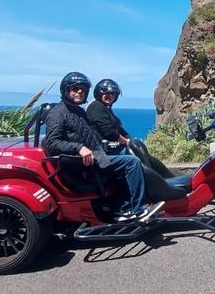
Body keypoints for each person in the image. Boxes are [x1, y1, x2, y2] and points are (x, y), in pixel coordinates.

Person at [43, 72, 164, 222]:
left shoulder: (78, 111)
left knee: (125, 159)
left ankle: (123, 208)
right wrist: (79, 148)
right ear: (66, 90)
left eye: (83, 89)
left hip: (93, 157)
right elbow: (53, 142)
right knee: (132, 163)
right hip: (79, 163)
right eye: (75, 88)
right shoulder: (58, 113)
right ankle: (138, 210)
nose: (80, 91)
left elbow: (94, 133)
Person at [86, 79, 130, 155]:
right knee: (134, 160)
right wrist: (126, 142)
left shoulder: (106, 108)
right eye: (107, 93)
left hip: (111, 148)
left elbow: (118, 128)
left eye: (113, 94)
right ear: (100, 94)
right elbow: (108, 131)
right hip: (103, 151)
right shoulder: (96, 106)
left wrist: (130, 139)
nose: (110, 96)